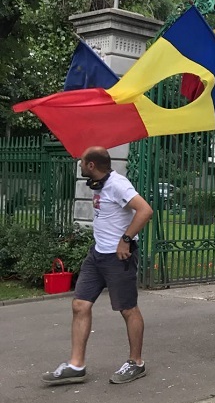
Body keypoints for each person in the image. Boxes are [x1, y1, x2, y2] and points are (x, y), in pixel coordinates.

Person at [42, 146, 154, 386]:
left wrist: (125, 240)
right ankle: (76, 365)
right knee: (80, 305)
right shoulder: (99, 184)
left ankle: (136, 363)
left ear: (91, 165)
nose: (80, 166)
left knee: (127, 309)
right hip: (97, 255)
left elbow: (145, 210)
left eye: (82, 162)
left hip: (119, 257)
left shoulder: (118, 184)